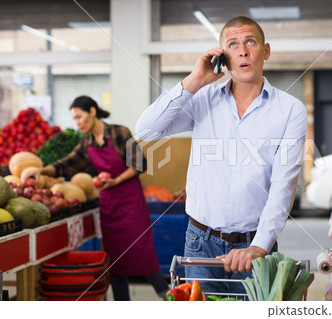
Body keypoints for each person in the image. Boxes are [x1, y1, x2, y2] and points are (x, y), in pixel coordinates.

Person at [135, 16, 307, 295]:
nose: (243, 51)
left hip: (255, 245)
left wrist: (259, 246)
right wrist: (195, 80)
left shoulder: (290, 109)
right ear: (223, 57)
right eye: (233, 44)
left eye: (251, 42)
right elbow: (147, 129)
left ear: (266, 51)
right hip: (199, 241)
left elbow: (283, 184)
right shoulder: (202, 99)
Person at [22, 96, 168, 301]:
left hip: (131, 202)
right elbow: (66, 164)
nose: (77, 122)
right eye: (74, 119)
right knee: (116, 260)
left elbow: (139, 163)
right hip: (109, 207)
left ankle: (170, 297)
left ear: (92, 111)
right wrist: (41, 170)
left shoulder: (119, 132)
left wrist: (116, 181)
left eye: (79, 117)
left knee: (142, 253)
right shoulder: (86, 144)